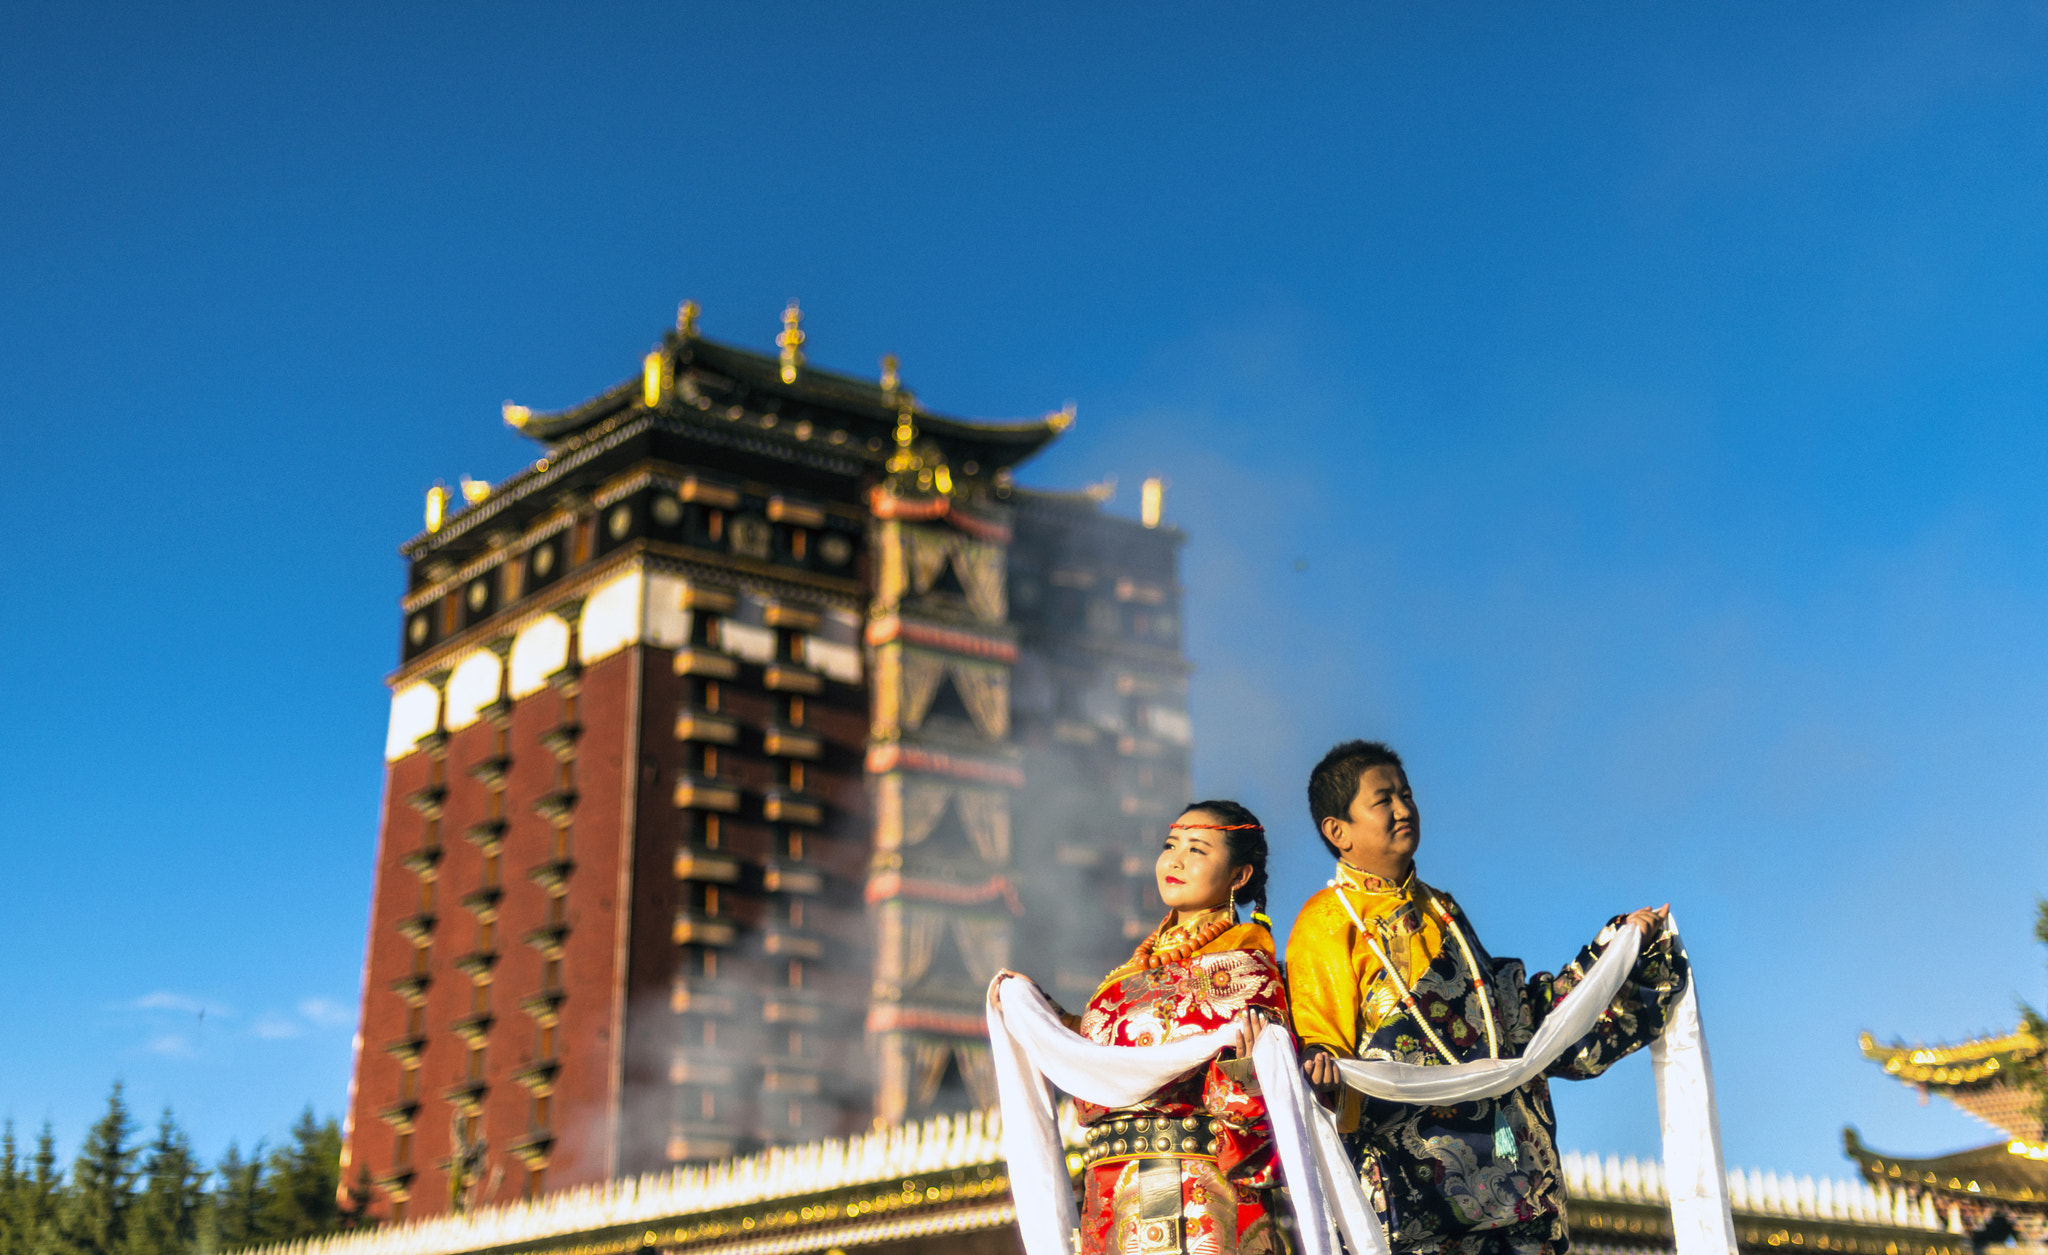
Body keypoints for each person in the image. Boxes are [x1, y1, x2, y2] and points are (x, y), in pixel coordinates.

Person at [1287, 741, 1688, 1255]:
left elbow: (1510, 1021)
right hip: (1416, 1195)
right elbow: (1324, 1048)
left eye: (1407, 795)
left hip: (1513, 1180)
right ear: (1337, 830)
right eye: (1383, 800)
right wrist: (1320, 1069)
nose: (1405, 809)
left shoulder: (1442, 908)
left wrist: (1615, 952)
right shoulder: (1327, 920)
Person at [995, 800, 1292, 1255]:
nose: (1174, 859)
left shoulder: (1246, 969)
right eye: (1171, 845)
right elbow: (1098, 1060)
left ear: (1239, 875)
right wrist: (1039, 1011)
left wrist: (1247, 1072)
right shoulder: (1125, 976)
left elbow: (1259, 1100)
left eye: (1197, 849)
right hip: (1107, 1194)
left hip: (1188, 1190)